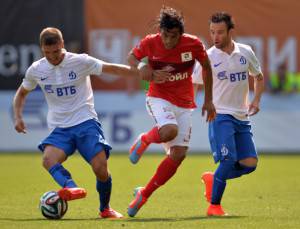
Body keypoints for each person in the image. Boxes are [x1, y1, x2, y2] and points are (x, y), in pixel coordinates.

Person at [13, 27, 143, 219]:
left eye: (56, 51)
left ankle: (105, 208)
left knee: (100, 168)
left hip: (85, 122)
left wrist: (141, 73)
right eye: (47, 53)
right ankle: (70, 187)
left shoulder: (80, 61)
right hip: (60, 128)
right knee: (48, 160)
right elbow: (21, 93)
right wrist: (18, 116)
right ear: (42, 49)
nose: (52, 57)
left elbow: (112, 68)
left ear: (62, 45)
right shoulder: (37, 69)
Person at [126, 6, 216, 217]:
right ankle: (146, 139)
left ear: (181, 34)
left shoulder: (193, 44)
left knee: (178, 155)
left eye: (173, 36)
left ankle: (144, 194)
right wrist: (142, 68)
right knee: (168, 131)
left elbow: (207, 67)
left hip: (185, 103)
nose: (168, 41)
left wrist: (209, 99)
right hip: (158, 98)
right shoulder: (150, 42)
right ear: (161, 31)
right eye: (165, 35)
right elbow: (132, 58)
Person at [193, 12, 264, 216]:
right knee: (228, 161)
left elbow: (258, 77)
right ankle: (214, 206)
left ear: (230, 31)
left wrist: (256, 100)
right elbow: (194, 82)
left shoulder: (245, 52)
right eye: (212, 32)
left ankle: (212, 178)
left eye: (220, 32)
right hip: (220, 114)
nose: (215, 37)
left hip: (242, 116)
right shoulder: (207, 56)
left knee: (250, 164)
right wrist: (190, 106)